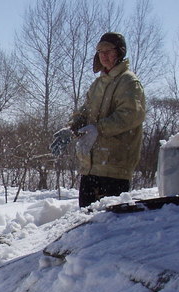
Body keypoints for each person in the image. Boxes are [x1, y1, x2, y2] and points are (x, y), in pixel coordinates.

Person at [50, 32, 146, 208]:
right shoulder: (97, 85)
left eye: (108, 51)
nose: (104, 55)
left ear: (120, 52)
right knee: (85, 225)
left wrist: (98, 128)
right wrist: (71, 129)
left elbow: (130, 116)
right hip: (90, 167)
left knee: (109, 228)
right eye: (100, 51)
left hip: (115, 169)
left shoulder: (129, 82)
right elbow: (84, 113)